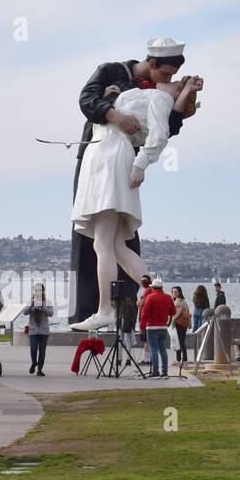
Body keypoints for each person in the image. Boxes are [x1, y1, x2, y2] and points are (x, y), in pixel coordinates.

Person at [69, 36, 200, 324]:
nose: (169, 80)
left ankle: (104, 310)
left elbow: (163, 131)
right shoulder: (114, 73)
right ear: (151, 64)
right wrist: (112, 107)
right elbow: (87, 100)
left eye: (174, 80)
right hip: (103, 153)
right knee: (114, 245)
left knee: (102, 243)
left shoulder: (159, 97)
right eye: (166, 75)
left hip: (111, 156)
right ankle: (157, 295)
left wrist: (140, 163)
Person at [140, 278, 176, 377]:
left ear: (153, 288)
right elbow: (173, 312)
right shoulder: (168, 297)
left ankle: (155, 371)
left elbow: (145, 314)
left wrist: (142, 327)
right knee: (163, 350)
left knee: (154, 349)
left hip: (151, 327)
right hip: (163, 327)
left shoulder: (150, 298)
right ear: (161, 288)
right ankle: (165, 371)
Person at [23, 282, 53, 376]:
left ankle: (40, 370)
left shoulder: (48, 301)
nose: (38, 292)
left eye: (40, 290)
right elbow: (25, 312)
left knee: (42, 350)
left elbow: (51, 313)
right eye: (36, 290)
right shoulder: (30, 300)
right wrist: (32, 304)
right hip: (33, 329)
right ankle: (34, 362)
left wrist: (43, 307)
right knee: (33, 348)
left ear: (43, 291)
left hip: (44, 330)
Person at [171, 285, 191, 365]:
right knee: (180, 342)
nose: (174, 293)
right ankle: (181, 360)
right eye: (173, 292)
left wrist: (169, 321)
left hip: (179, 324)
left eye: (175, 292)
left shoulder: (179, 301)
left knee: (179, 342)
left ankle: (182, 360)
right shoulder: (181, 300)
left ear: (179, 293)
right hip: (182, 324)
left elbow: (175, 314)